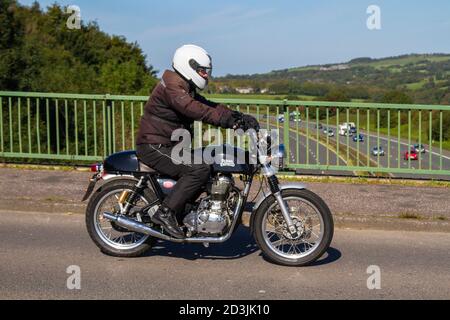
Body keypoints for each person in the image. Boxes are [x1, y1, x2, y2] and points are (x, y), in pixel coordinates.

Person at [136, 44, 259, 238]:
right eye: (201, 71)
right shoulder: (172, 87)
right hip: (154, 146)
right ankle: (166, 212)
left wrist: (237, 116)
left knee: (210, 162)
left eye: (205, 71)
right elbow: (195, 109)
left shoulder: (182, 85)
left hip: (171, 146)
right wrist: (229, 122)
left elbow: (207, 105)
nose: (205, 75)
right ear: (188, 65)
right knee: (198, 168)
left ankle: (186, 211)